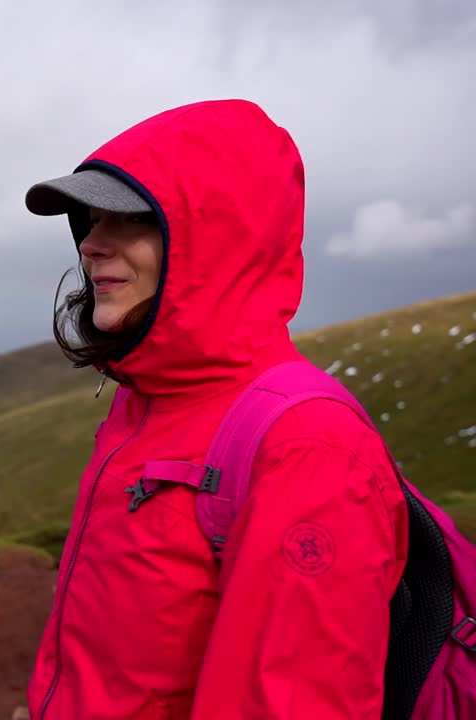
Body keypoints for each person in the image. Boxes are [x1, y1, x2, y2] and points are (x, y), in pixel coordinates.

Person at [21, 98, 410, 719]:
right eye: (90, 220)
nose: (91, 244)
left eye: (129, 221)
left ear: (218, 238)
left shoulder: (308, 448)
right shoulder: (148, 399)